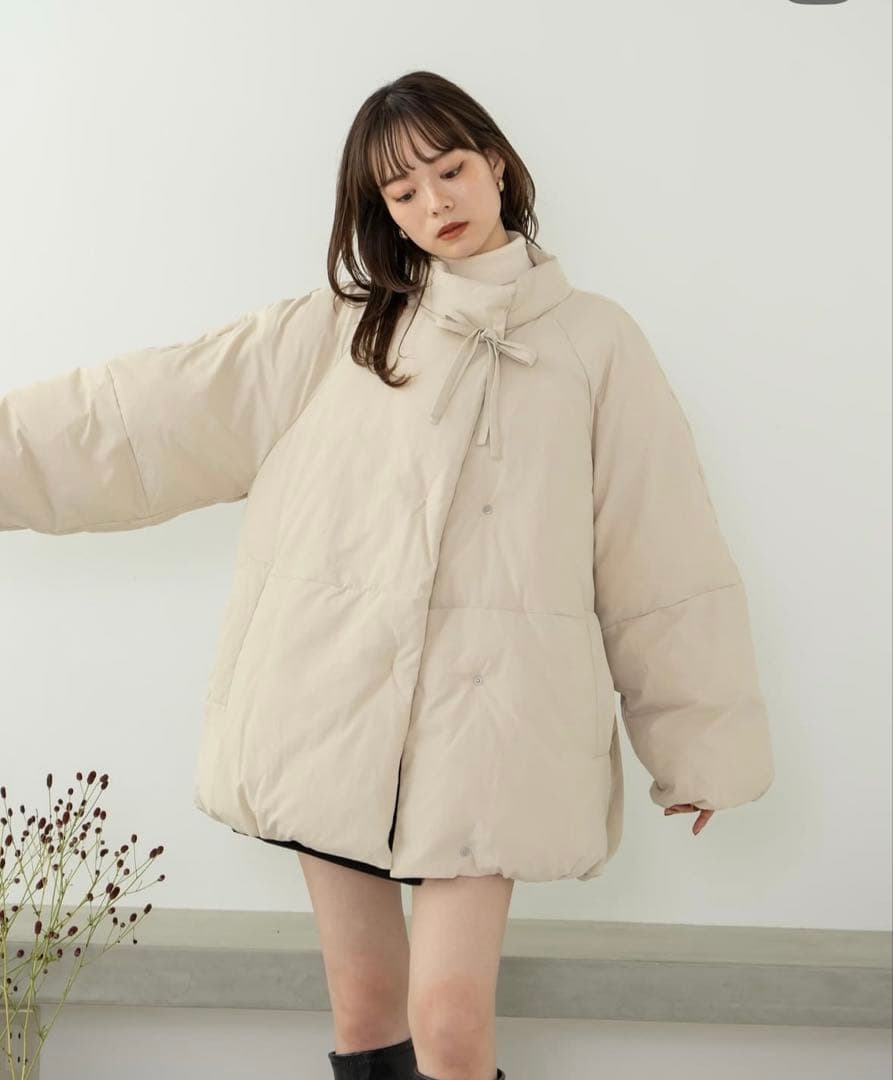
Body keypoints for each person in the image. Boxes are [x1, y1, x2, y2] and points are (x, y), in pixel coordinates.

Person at [0, 70, 775, 1080]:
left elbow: (659, 549)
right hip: (334, 710)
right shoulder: (339, 332)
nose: (433, 204)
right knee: (367, 1013)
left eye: (449, 171)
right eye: (401, 192)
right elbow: (138, 420)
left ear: (496, 165)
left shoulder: (596, 344)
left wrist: (699, 742)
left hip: (493, 732)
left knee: (449, 1024)